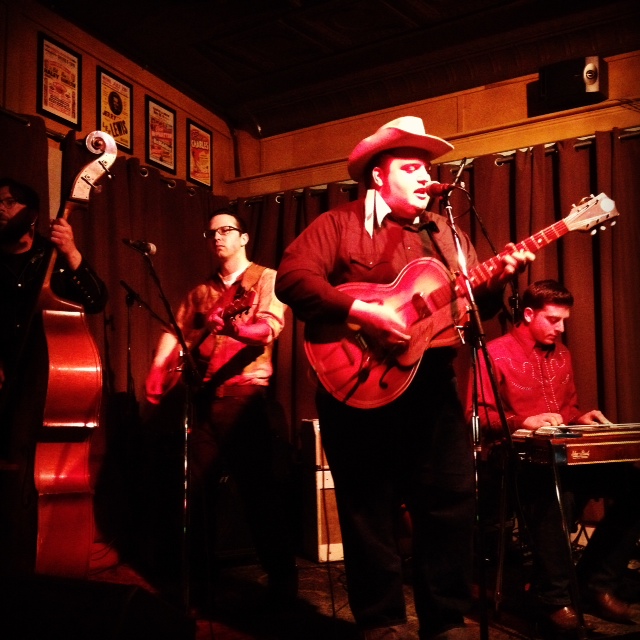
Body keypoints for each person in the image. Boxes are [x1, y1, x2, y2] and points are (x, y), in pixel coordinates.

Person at [274, 116, 535, 640]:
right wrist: (362, 312)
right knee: (367, 507)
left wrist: (498, 280)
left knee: (451, 501)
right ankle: (382, 621)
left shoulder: (448, 233)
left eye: (427, 168)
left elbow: (472, 308)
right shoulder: (338, 224)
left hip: (433, 383)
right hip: (357, 385)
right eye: (411, 167)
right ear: (378, 175)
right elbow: (292, 279)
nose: (424, 176)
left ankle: (446, 620)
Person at [144, 208, 298, 615]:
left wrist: (234, 328)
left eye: (226, 230)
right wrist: (158, 366)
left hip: (246, 399)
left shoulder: (266, 278)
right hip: (206, 400)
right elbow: (175, 331)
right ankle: (201, 588)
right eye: (211, 232)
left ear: (243, 238)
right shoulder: (201, 291)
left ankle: (284, 588)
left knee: (259, 497)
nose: (217, 237)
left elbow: (268, 328)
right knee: (197, 497)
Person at [468, 279, 640, 634]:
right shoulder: (494, 352)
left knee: (634, 485)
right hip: (512, 461)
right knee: (552, 490)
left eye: (564, 320)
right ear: (529, 314)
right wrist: (522, 421)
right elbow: (477, 415)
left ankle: (596, 582)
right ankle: (553, 597)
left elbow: (566, 410)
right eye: (553, 319)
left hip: (561, 455)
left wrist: (580, 418)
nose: (561, 328)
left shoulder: (561, 353)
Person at [0, 177, 108, 574]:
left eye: (9, 202)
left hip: (48, 382)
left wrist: (73, 253)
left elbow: (96, 300)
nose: (0, 209)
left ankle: (45, 559)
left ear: (31, 214)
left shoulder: (52, 256)